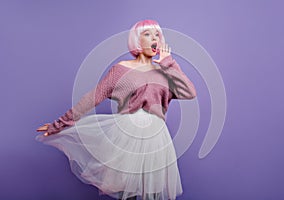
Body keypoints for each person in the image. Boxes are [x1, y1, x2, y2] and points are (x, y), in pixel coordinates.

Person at [36, 19, 197, 200]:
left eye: (157, 35)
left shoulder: (165, 73)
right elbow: (93, 97)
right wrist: (59, 124)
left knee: (150, 192)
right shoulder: (121, 69)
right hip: (128, 135)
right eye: (147, 34)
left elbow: (189, 92)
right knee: (126, 192)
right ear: (137, 40)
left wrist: (169, 63)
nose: (154, 38)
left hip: (156, 138)